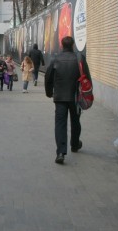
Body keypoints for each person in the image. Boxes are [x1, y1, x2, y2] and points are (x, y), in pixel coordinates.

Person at [44, 36, 91, 164]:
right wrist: (88, 94)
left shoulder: (55, 59)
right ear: (73, 45)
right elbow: (87, 77)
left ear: (61, 45)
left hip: (59, 97)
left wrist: (49, 93)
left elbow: (48, 78)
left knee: (60, 124)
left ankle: (60, 152)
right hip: (75, 97)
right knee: (75, 122)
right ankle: (75, 144)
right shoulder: (79, 58)